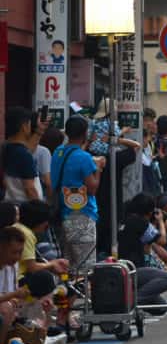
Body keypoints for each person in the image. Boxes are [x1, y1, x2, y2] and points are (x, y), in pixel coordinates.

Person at [50, 115, 104, 271]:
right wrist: (99, 168)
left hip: (61, 214)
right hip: (82, 216)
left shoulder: (58, 152)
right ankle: (84, 295)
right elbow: (92, 188)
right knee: (85, 267)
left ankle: (69, 295)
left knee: (67, 265)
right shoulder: (84, 157)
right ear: (85, 133)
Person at [117, 194, 167, 309]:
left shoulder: (125, 220)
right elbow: (162, 240)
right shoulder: (140, 222)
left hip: (122, 269)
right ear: (149, 211)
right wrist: (161, 221)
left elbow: (149, 246)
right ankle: (132, 302)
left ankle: (133, 299)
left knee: (161, 308)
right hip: (134, 270)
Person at [3, 107, 44, 203]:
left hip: (12, 204)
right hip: (26, 209)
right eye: (30, 124)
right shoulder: (23, 154)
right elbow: (29, 188)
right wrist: (39, 210)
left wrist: (39, 131)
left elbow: (28, 149)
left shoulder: (7, 148)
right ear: (24, 126)